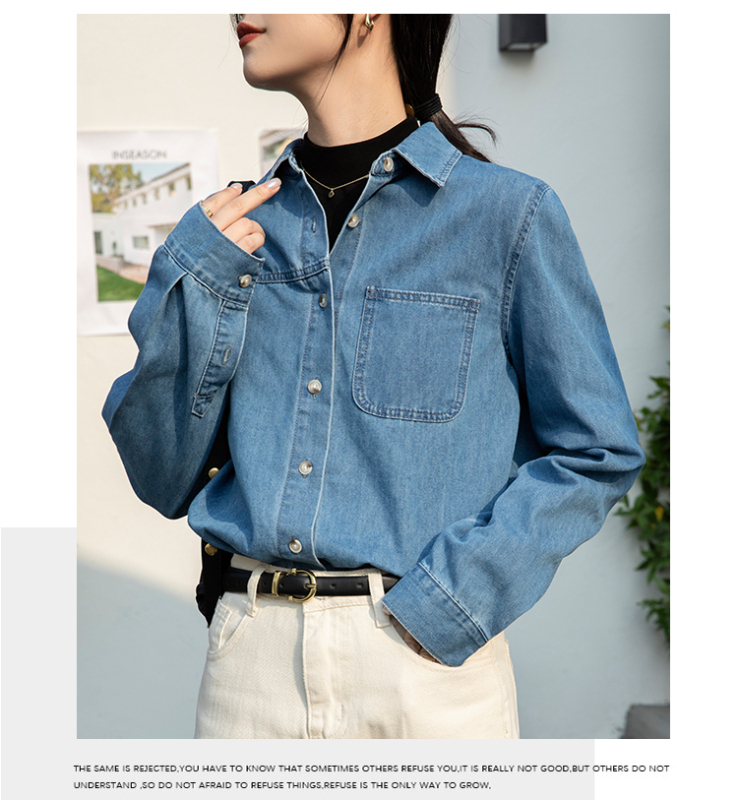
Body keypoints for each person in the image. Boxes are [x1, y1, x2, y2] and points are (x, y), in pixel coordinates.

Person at [103, 14, 644, 739]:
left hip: (422, 673)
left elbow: (596, 450)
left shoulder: (506, 216)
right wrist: (190, 278)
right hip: (248, 671)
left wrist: (451, 602)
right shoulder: (232, 233)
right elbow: (161, 476)